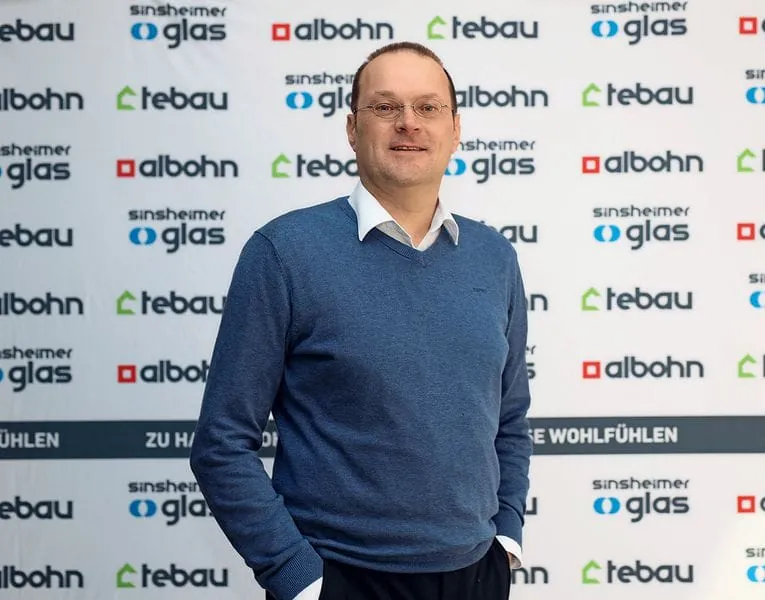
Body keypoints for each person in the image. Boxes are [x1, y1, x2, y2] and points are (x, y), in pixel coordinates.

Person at [190, 41, 532, 600]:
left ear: (455, 129)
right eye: (385, 106)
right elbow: (221, 444)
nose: (408, 123)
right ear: (352, 129)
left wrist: (507, 538)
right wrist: (300, 579)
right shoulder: (283, 253)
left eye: (428, 107)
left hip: (475, 574)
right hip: (341, 578)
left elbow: (509, 419)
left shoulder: (494, 257)